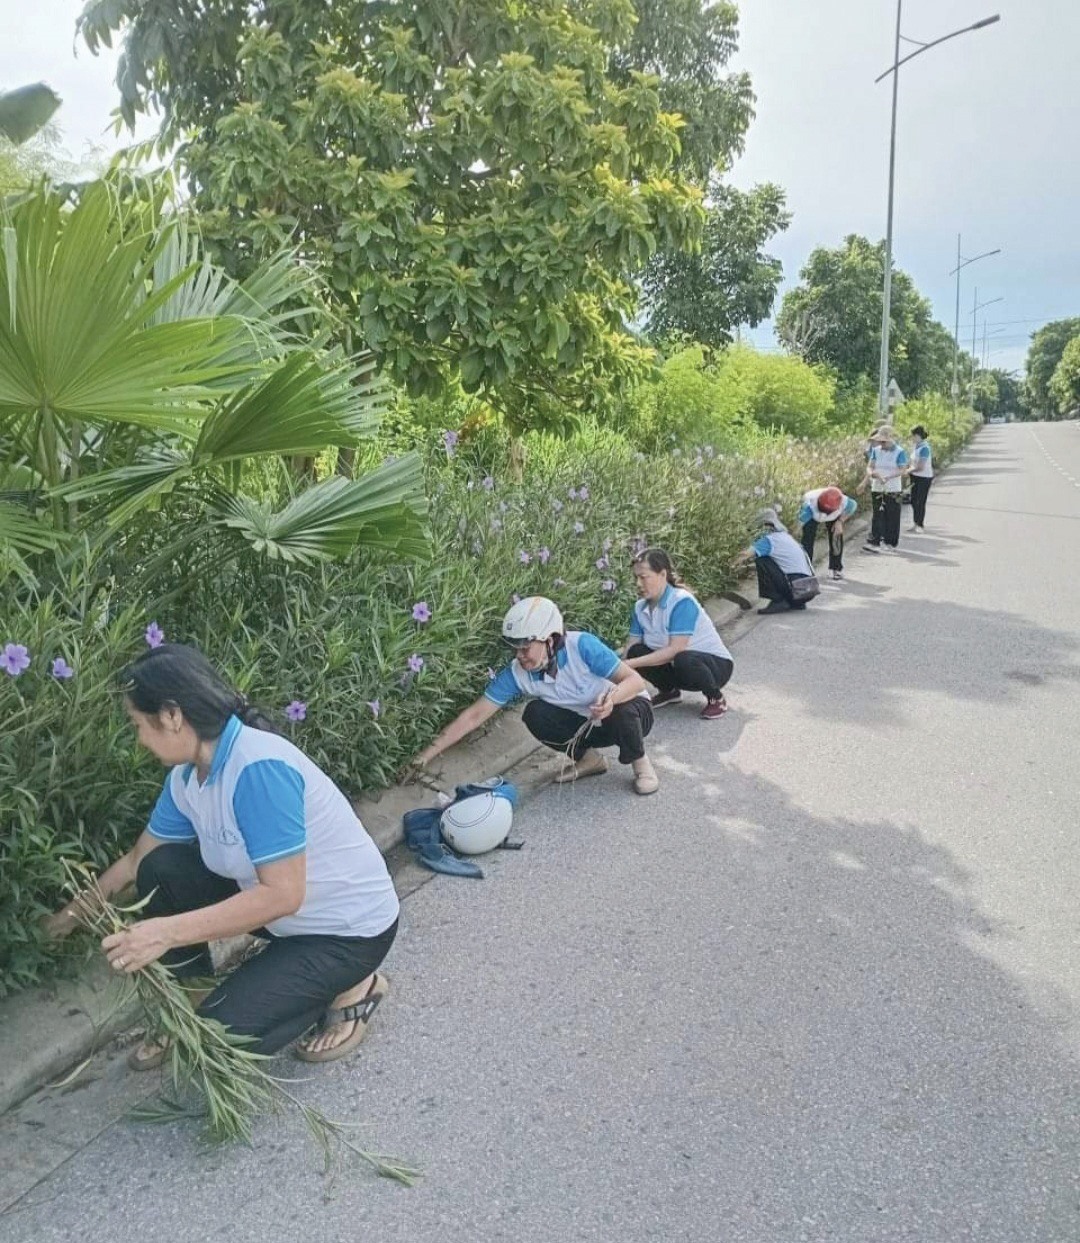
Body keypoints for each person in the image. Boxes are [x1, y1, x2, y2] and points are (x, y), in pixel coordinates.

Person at [45, 644, 400, 1066]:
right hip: (285, 921)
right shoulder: (186, 778)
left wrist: (164, 933)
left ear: (172, 716)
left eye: (138, 724)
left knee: (218, 1044)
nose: (138, 738)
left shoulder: (257, 768)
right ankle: (195, 1005)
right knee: (161, 869)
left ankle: (356, 986)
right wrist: (63, 922)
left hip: (346, 933)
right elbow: (138, 861)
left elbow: (283, 895)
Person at [414, 596, 659, 795]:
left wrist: (611, 700)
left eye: (525, 648)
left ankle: (641, 765)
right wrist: (425, 756)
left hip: (630, 714)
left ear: (550, 640)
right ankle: (589, 760)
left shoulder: (582, 646)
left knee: (623, 711)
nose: (519, 656)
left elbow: (634, 681)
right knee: (535, 714)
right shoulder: (517, 674)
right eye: (515, 649)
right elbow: (473, 715)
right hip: (588, 724)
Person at [623, 548, 734, 717]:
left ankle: (716, 698)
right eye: (636, 578)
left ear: (662, 574)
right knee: (635, 652)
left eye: (643, 577)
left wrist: (630, 664)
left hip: (715, 667)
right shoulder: (640, 607)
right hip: (678, 666)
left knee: (683, 657)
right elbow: (631, 644)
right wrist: (615, 668)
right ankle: (669, 691)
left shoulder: (681, 601)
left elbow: (676, 649)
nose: (638, 584)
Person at [740, 509, 817, 615]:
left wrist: (728, 564)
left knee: (762, 560)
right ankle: (796, 603)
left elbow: (744, 555)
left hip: (795, 588)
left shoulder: (769, 540)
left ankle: (778, 600)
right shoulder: (786, 537)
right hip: (808, 589)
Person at [862, 425, 909, 553]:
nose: (881, 444)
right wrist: (873, 473)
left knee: (892, 515)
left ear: (890, 439)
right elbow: (870, 466)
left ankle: (891, 543)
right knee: (877, 515)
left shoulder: (899, 451)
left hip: (893, 488)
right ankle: (875, 541)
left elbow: (902, 469)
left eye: (883, 441)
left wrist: (888, 477)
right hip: (877, 487)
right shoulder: (876, 451)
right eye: (880, 441)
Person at [797, 486, 857, 581]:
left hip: (835, 516)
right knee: (807, 540)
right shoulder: (809, 505)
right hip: (813, 516)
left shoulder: (845, 502)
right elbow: (799, 525)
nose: (825, 514)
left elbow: (853, 507)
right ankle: (806, 570)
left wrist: (840, 521)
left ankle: (836, 568)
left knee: (836, 536)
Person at [906, 424, 934, 532]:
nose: (911, 438)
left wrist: (908, 471)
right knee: (913, 500)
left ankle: (920, 524)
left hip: (924, 477)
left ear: (918, 435)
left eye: (913, 436)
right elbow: (912, 462)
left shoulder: (925, 448)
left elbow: (920, 466)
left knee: (920, 501)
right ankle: (915, 522)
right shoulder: (916, 447)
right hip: (915, 477)